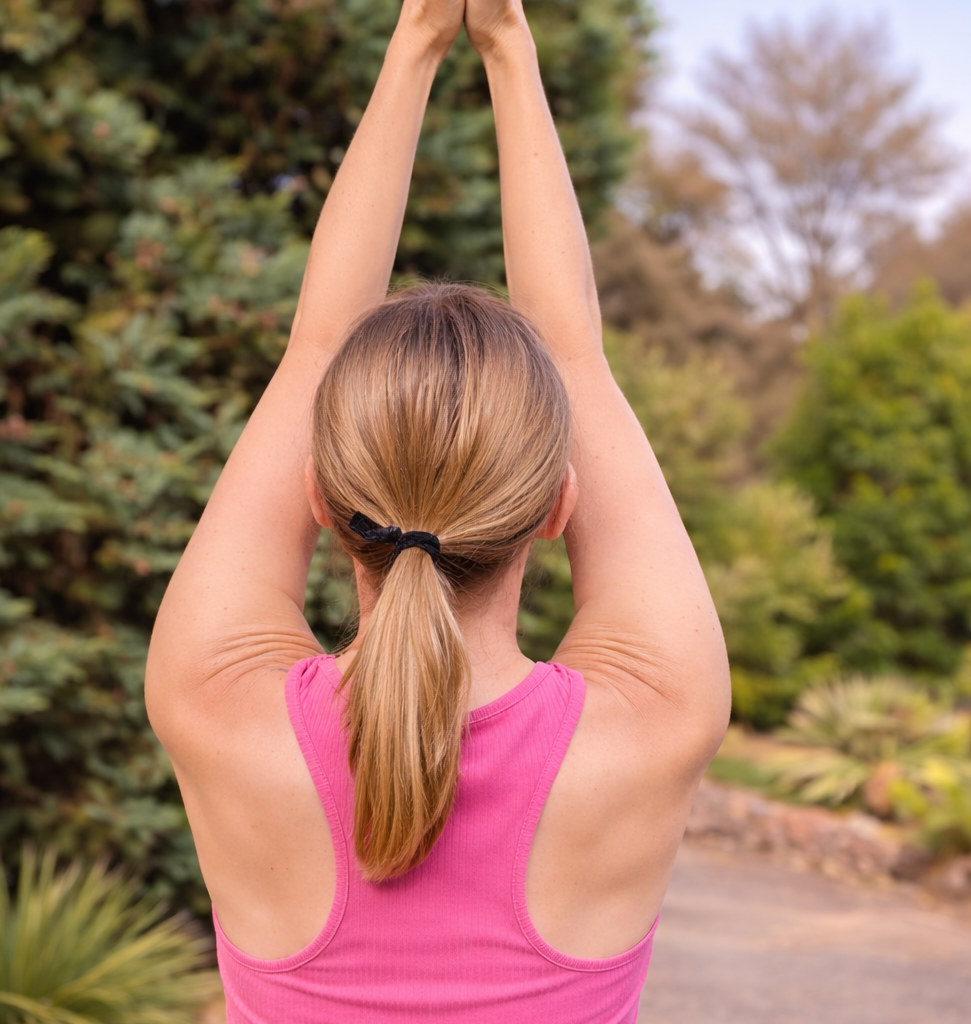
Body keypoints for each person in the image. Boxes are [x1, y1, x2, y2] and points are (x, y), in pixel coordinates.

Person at [145, 1, 730, 1020]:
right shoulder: (657, 719)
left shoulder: (215, 705)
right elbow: (570, 351)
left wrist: (416, 36)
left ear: (319, 497)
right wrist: (504, 40)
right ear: (558, 504)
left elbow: (319, 344)